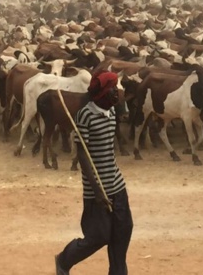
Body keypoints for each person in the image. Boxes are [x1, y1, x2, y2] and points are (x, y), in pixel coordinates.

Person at [55, 71, 133, 275]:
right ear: (104, 93)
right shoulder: (85, 115)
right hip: (96, 189)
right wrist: (97, 191)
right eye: (113, 89)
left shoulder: (112, 112)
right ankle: (64, 259)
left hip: (117, 185)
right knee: (98, 236)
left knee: (122, 233)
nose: (117, 93)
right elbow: (82, 155)